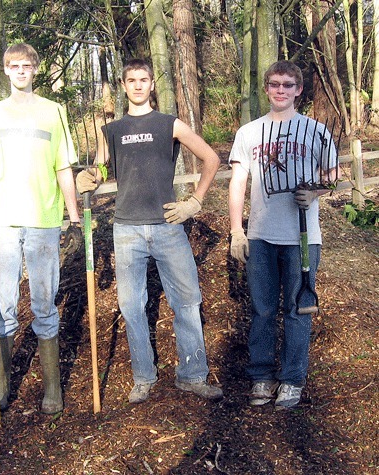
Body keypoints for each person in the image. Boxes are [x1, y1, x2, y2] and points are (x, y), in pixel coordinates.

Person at [76, 59, 222, 404]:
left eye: (144, 80)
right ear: (124, 85)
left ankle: (193, 375)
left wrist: (194, 202)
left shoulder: (169, 124)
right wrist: (91, 177)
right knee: (131, 305)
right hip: (126, 229)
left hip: (168, 226)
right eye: (132, 80)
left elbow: (211, 159)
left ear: (152, 84)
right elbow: (100, 167)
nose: (138, 85)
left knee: (187, 302)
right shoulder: (111, 129)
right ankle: (144, 377)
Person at [0, 43, 82, 414]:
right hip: (1, 222)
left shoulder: (55, 112)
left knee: (45, 304)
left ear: (35, 69)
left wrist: (74, 217)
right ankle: (1, 385)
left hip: (44, 221)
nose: (20, 71)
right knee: (4, 307)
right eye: (13, 65)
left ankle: (52, 390)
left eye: (26, 65)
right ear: (6, 70)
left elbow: (64, 167)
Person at [228, 60, 339, 409]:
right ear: (266, 88)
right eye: (274, 84)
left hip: (303, 238)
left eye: (288, 85)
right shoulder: (249, 133)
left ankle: (292, 379)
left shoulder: (317, 131)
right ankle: (261, 377)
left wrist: (316, 193)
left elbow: (333, 176)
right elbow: (238, 182)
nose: (280, 90)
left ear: (298, 90)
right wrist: (236, 230)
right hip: (260, 235)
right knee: (262, 309)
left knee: (297, 309)